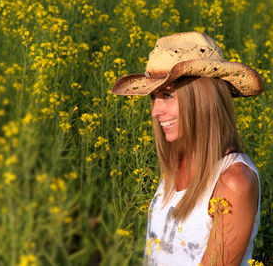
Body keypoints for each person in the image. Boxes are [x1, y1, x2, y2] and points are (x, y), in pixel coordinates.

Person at [111, 32, 264, 266]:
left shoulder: (234, 182)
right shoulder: (179, 159)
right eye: (153, 97)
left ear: (203, 99)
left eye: (167, 95)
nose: (155, 111)